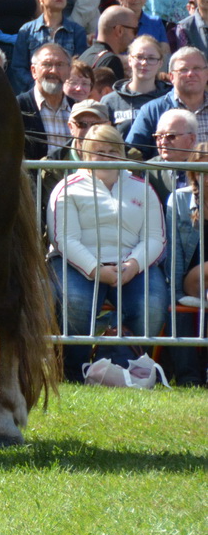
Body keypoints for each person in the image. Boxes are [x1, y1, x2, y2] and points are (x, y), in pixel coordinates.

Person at [48, 122, 166, 380]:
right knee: (75, 302)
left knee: (153, 304)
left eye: (112, 150)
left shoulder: (142, 187)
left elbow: (155, 237)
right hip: (78, 265)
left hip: (132, 265)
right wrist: (96, 270)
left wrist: (133, 265)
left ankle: (124, 366)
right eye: (98, 151)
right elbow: (64, 239)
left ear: (122, 153)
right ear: (85, 155)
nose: (105, 157)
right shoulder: (68, 187)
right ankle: (72, 370)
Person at [128, 48, 208, 157]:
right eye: (184, 69)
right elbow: (133, 153)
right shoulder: (152, 111)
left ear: (206, 73)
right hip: (169, 173)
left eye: (197, 68)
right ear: (171, 77)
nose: (190, 74)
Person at [18, 42, 75, 158]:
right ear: (34, 71)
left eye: (59, 65)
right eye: (47, 64)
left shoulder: (77, 108)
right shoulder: (17, 107)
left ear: (69, 71)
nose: (53, 71)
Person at [102, 34, 167, 136]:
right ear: (129, 60)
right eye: (139, 57)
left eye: (151, 58)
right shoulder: (110, 101)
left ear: (160, 63)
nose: (145, 63)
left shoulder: (169, 99)